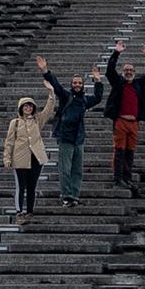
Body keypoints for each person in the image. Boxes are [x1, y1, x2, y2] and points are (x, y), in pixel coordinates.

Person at [36, 57, 101, 206]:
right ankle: (66, 195)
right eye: (75, 83)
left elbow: (98, 98)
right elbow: (56, 86)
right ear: (72, 85)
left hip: (79, 138)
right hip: (66, 137)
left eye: (79, 83)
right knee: (65, 169)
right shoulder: (66, 97)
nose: (77, 85)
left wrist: (98, 81)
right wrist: (45, 70)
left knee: (77, 170)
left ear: (83, 85)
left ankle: (75, 195)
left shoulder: (85, 100)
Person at [101, 42, 145, 191]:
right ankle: (118, 179)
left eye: (131, 70)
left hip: (134, 122)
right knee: (119, 150)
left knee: (130, 151)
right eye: (126, 70)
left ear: (134, 72)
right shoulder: (118, 83)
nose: (129, 72)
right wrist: (116, 53)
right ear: (123, 72)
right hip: (120, 121)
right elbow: (109, 71)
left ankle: (127, 179)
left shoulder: (139, 84)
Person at [2, 89, 54, 217]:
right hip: (20, 159)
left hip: (36, 158)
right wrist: (6, 158)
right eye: (25, 105)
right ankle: (19, 212)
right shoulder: (15, 123)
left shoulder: (37, 120)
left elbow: (48, 109)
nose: (28, 107)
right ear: (21, 107)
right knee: (21, 186)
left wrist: (51, 93)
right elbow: (9, 142)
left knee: (32, 187)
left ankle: (29, 211)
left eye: (30, 105)